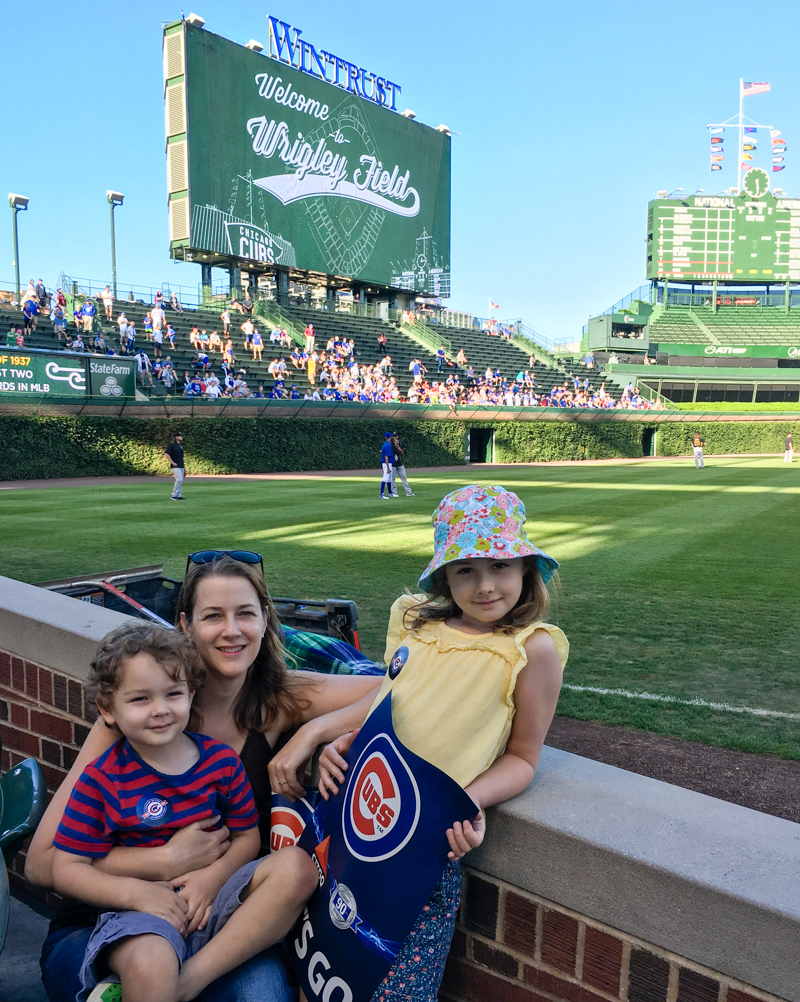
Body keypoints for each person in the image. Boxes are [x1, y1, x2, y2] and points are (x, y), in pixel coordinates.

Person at [27, 550, 383, 1002]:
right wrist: (165, 861)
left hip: (217, 926)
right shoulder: (139, 712)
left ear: (265, 620)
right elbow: (42, 865)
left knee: (263, 995)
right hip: (105, 922)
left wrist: (314, 734)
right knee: (146, 972)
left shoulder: (278, 700)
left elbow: (397, 689)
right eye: (213, 615)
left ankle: (182, 984)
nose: (231, 631)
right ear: (185, 625)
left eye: (245, 614)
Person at [318, 485, 568, 1002]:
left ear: (526, 568)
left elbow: (523, 757)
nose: (484, 585)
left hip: (426, 851)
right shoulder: (417, 624)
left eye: (499, 565)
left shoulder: (530, 650)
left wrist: (467, 801)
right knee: (327, 965)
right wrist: (339, 744)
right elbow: (388, 711)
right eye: (465, 570)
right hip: (354, 828)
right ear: (444, 576)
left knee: (395, 990)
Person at [50, 621, 316, 1002]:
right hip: (143, 916)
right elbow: (65, 868)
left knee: (296, 867)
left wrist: (214, 877)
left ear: (191, 694)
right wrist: (138, 896)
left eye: (172, 694)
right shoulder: (101, 779)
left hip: (219, 903)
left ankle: (185, 983)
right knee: (151, 964)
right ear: (107, 709)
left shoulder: (221, 762)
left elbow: (246, 837)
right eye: (140, 699)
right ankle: (161, 982)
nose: (160, 710)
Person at [165, 431, 185, 500]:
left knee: (181, 480)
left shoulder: (180, 446)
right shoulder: (171, 445)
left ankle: (178, 495)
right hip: (175, 465)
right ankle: (174, 495)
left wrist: (184, 467)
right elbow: (167, 454)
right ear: (176, 437)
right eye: (180, 436)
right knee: (179, 480)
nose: (181, 437)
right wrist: (172, 462)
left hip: (181, 465)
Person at [379, 430, 394, 500]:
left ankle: (390, 492)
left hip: (386, 463)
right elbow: (386, 457)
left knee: (389, 479)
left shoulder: (385, 444)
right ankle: (382, 494)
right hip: (387, 463)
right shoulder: (387, 445)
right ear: (389, 437)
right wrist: (388, 467)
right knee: (385, 478)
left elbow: (382, 452)